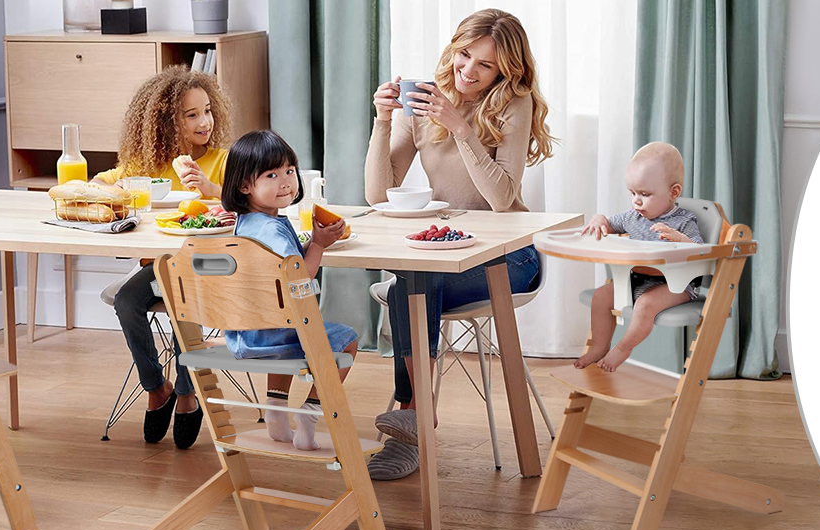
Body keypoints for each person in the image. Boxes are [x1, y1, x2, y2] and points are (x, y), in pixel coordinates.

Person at [364, 8, 555, 480]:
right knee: (411, 282)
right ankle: (414, 417)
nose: (467, 71)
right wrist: (383, 119)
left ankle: (412, 418)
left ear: (504, 71)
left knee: (407, 287)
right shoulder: (427, 99)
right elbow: (376, 194)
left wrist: (462, 129)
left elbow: (501, 197)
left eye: (484, 65)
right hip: (444, 253)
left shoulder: (515, 100)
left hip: (510, 257)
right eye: (464, 55)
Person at [103, 66, 234, 449]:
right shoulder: (149, 166)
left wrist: (210, 188)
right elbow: (107, 181)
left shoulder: (223, 161)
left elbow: (246, 201)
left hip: (209, 268)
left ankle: (188, 392)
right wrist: (99, 186)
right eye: (191, 115)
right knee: (127, 300)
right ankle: (156, 386)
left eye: (207, 111)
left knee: (182, 302)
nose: (204, 121)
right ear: (165, 122)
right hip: (160, 265)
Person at [220, 130, 359, 451]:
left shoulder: (248, 222)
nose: (285, 181)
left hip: (246, 334)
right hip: (273, 337)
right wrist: (320, 247)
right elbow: (300, 276)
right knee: (347, 341)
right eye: (271, 174)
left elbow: (285, 263)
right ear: (245, 186)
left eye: (289, 171)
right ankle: (308, 417)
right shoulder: (272, 229)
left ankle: (276, 415)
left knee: (284, 323)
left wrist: (312, 241)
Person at [576, 142, 704, 372]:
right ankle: (599, 346)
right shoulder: (631, 217)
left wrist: (679, 239)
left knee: (645, 305)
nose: (636, 201)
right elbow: (607, 223)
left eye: (645, 194)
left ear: (673, 192)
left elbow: (701, 252)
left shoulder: (684, 221)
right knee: (601, 297)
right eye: (633, 193)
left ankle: (623, 348)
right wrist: (597, 219)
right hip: (636, 280)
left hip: (675, 284)